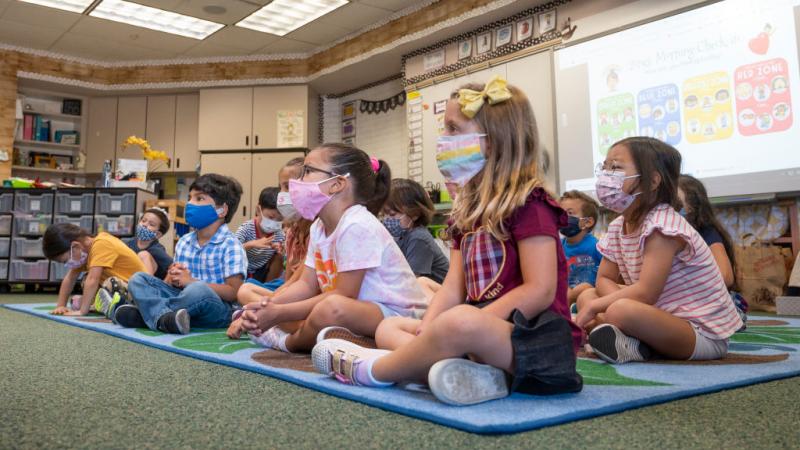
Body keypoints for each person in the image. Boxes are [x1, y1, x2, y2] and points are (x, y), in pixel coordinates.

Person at [311, 76, 583, 406]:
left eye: (453, 129)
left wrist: (474, 322)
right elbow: (453, 287)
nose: (444, 139)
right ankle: (468, 373)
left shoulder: (531, 204)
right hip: (476, 337)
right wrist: (428, 327)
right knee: (390, 328)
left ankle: (377, 370)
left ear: (493, 141)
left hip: (538, 345)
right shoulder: (465, 214)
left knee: (459, 322)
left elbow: (539, 291)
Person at [238, 144, 428, 353]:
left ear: (337, 184)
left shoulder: (356, 224)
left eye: (308, 171)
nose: (298, 181)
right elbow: (305, 284)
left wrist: (279, 313)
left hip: (398, 316)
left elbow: (345, 294)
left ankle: (288, 343)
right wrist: (265, 307)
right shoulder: (319, 227)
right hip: (359, 311)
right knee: (316, 307)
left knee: (331, 307)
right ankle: (349, 339)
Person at [576, 137, 743, 364]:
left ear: (653, 181)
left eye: (615, 168)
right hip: (657, 315)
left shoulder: (662, 226)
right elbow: (604, 278)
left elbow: (646, 292)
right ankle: (631, 342)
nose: (606, 176)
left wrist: (601, 308)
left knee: (617, 310)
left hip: (700, 333)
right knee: (587, 296)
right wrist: (599, 304)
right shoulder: (617, 226)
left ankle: (624, 336)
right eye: (605, 167)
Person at [117, 174, 248, 334]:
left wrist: (191, 281)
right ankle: (167, 319)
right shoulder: (184, 241)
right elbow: (170, 284)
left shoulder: (231, 245)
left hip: (217, 310)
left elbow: (234, 292)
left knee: (198, 290)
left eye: (199, 198)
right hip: (183, 300)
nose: (190, 203)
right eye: (189, 198)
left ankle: (149, 315)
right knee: (139, 279)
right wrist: (172, 277)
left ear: (222, 210)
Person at [229, 157, 310, 339]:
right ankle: (273, 320)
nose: (283, 194)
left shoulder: (315, 231)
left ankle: (281, 325)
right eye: (281, 187)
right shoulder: (292, 233)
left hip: (307, 298)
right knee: (245, 290)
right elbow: (288, 282)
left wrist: (254, 310)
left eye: (288, 187)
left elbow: (303, 286)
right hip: (286, 291)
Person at [678, 174, 748, 326]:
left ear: (693, 207)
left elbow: (726, 276)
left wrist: (684, 287)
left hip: (707, 302)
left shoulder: (706, 232)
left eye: (675, 204)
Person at [42, 223, 145, 317]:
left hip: (140, 292)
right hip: (124, 290)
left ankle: (121, 308)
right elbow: (70, 278)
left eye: (65, 261)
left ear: (75, 246)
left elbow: (92, 280)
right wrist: (61, 306)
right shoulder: (84, 253)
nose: (67, 264)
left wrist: (82, 311)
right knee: (86, 280)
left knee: (108, 282)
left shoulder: (101, 244)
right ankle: (102, 305)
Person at [382, 178, 449, 284]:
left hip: (436, 291)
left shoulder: (418, 238)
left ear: (415, 214)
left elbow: (411, 283)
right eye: (384, 214)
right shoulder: (402, 235)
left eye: (392, 214)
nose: (387, 219)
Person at [558, 190, 602, 305]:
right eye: (560, 213)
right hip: (564, 296)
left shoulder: (597, 247)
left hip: (591, 297)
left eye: (570, 213)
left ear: (588, 222)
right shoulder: (557, 247)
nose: (563, 217)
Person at [235, 187, 284, 285]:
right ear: (258, 210)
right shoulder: (246, 228)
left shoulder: (279, 234)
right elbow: (232, 250)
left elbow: (282, 253)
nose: (274, 222)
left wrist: (279, 249)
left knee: (279, 257)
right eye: (271, 217)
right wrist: (250, 244)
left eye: (279, 219)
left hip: (261, 271)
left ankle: (267, 287)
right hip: (243, 269)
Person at [124, 207, 173, 279]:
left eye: (151, 224)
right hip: (130, 278)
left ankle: (146, 285)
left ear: (157, 234)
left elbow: (172, 266)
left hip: (152, 282)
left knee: (143, 255)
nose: (145, 225)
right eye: (143, 221)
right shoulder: (129, 243)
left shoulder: (157, 249)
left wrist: (165, 283)